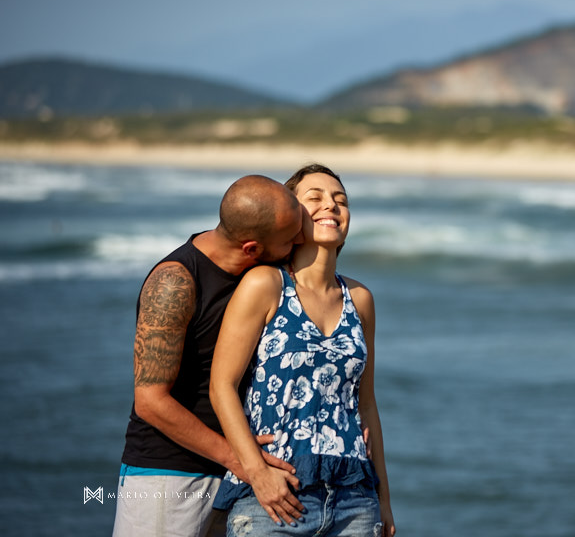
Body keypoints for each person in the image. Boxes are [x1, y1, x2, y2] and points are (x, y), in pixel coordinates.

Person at [113, 175, 307, 537]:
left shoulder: (261, 275)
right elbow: (150, 402)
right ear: (251, 247)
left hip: (239, 475)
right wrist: (244, 462)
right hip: (170, 477)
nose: (299, 241)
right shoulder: (175, 282)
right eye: (290, 238)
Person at [210, 163, 396, 536]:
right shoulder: (266, 285)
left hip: (354, 501)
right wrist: (257, 473)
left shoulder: (360, 299)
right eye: (315, 198)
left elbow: (366, 405)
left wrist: (384, 500)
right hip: (276, 498)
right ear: (291, 217)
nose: (331, 205)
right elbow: (222, 386)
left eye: (340, 200)